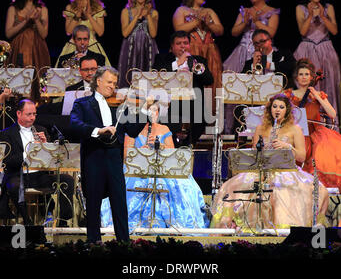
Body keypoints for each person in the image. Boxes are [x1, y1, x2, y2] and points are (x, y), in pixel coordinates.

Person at [210, 94, 329, 230]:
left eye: (281, 107)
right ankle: (239, 226)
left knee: (284, 191)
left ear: (287, 110)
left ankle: (283, 228)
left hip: (285, 171)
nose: (277, 110)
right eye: (275, 106)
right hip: (262, 170)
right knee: (231, 187)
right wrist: (262, 149)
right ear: (270, 109)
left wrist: (287, 147)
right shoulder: (260, 128)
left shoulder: (296, 129)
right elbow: (254, 153)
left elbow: (302, 156)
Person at [70, 67, 150, 243]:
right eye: (109, 82)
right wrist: (99, 130)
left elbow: (133, 131)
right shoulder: (82, 104)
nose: (112, 86)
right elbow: (74, 125)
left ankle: (123, 243)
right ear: (98, 81)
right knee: (93, 204)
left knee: (119, 203)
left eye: (114, 83)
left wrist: (144, 110)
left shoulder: (120, 106)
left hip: (114, 158)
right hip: (94, 157)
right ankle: (94, 243)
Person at [101, 101, 208, 230]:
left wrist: (160, 147)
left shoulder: (164, 129)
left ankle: (175, 223)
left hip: (163, 170)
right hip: (138, 171)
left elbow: (173, 156)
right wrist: (142, 151)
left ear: (157, 114)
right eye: (148, 111)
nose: (152, 114)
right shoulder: (132, 131)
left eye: (154, 111)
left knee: (185, 185)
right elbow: (126, 157)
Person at [0, 99, 74, 225]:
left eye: (34, 114)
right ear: (19, 114)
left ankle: (63, 221)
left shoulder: (41, 130)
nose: (32, 118)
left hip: (39, 175)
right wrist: (30, 151)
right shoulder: (6, 134)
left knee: (67, 180)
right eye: (29, 114)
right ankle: (28, 223)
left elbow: (51, 161)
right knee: (14, 186)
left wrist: (45, 146)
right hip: (18, 175)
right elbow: (8, 161)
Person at [223, 0, 280, 134]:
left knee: (262, 90)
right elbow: (234, 32)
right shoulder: (245, 11)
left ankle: (266, 126)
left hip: (262, 52)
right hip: (243, 52)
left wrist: (256, 21)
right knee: (237, 89)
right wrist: (246, 21)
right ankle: (234, 128)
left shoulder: (272, 12)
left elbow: (271, 32)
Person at [285, 59, 341, 192]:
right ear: (296, 77)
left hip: (315, 133)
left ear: (311, 77)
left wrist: (317, 95)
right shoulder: (289, 94)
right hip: (296, 131)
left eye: (306, 74)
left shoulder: (318, 95)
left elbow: (332, 114)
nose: (304, 77)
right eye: (301, 74)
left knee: (322, 150)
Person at [153, 31, 214, 147]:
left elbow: (209, 80)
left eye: (185, 43)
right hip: (170, 102)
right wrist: (177, 63)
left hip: (192, 102)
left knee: (202, 119)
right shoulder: (162, 59)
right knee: (168, 119)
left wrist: (194, 66)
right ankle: (172, 143)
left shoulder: (199, 60)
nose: (183, 46)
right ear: (172, 46)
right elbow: (157, 78)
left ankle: (187, 145)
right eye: (179, 43)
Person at [293, 0, 341, 128]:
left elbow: (334, 31)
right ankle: (310, 121)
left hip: (325, 48)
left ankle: (331, 123)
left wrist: (321, 16)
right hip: (307, 47)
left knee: (329, 84)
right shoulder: (300, 8)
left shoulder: (328, 8)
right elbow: (302, 31)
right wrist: (309, 15)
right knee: (308, 84)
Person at [173, 0, 223, 113]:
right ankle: (188, 120)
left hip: (209, 51)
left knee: (211, 84)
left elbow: (220, 30)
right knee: (190, 84)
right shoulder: (182, 10)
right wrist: (197, 21)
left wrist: (208, 23)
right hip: (192, 50)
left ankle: (210, 118)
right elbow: (178, 28)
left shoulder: (208, 11)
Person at [5, 0, 51, 102]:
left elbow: (44, 34)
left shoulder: (42, 9)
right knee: (21, 82)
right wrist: (26, 21)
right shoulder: (13, 8)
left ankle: (37, 108)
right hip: (19, 47)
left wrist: (36, 19)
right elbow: (8, 33)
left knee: (38, 79)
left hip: (37, 48)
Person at [55, 0, 110, 67]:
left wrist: (89, 15)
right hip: (73, 46)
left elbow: (100, 32)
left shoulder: (98, 8)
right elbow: (68, 31)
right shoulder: (70, 7)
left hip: (92, 46)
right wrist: (78, 14)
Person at [117, 0, 159, 88]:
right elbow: (125, 33)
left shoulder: (154, 13)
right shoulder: (126, 12)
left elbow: (153, 34)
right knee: (129, 77)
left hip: (148, 49)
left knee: (148, 79)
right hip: (131, 48)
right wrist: (137, 15)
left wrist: (148, 15)